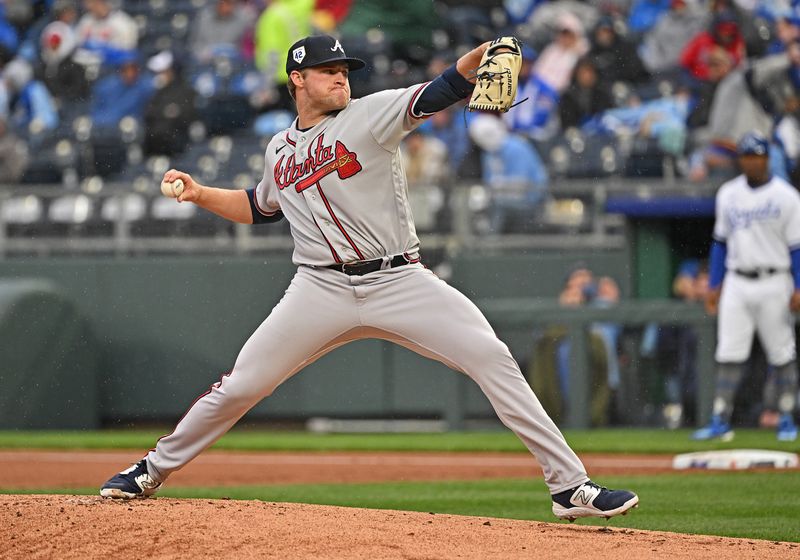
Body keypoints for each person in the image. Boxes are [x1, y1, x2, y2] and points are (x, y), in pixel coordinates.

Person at [98, 34, 638, 522]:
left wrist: (478, 57)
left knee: (491, 357)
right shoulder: (278, 148)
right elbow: (260, 207)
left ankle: (569, 486)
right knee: (240, 385)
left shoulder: (372, 113)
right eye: (328, 69)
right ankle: (150, 470)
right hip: (318, 289)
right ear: (297, 81)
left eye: (345, 68)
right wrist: (198, 194)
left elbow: (442, 89)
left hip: (399, 279)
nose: (340, 76)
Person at [692, 132, 799, 442]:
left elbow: (797, 248)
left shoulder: (786, 196)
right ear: (740, 160)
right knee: (729, 352)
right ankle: (720, 419)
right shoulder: (728, 194)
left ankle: (787, 417)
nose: (752, 161)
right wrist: (714, 285)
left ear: (766, 158)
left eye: (757, 156)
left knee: (782, 353)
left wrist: (798, 285)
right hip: (737, 280)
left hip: (774, 278)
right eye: (747, 156)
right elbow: (720, 243)